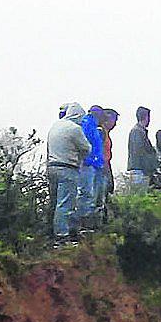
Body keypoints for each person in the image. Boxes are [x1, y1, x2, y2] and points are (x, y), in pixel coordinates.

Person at [46, 103, 91, 246]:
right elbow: (86, 148)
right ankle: (62, 238)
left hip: (52, 167)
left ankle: (50, 234)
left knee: (54, 203)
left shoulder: (55, 125)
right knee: (65, 203)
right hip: (68, 168)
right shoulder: (75, 129)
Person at [78, 106, 106, 230]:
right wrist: (89, 160)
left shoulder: (94, 126)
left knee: (92, 196)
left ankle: (89, 225)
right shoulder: (87, 123)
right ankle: (83, 225)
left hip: (95, 165)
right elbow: (85, 145)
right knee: (87, 194)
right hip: (88, 165)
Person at [125, 107, 155, 192]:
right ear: (146, 117)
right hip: (138, 169)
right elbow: (138, 152)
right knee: (138, 196)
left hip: (140, 170)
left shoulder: (140, 131)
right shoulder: (137, 131)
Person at [97, 109, 119, 222]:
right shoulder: (101, 132)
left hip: (106, 164)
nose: (115, 124)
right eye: (114, 120)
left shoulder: (106, 133)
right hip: (102, 166)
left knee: (107, 192)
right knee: (102, 194)